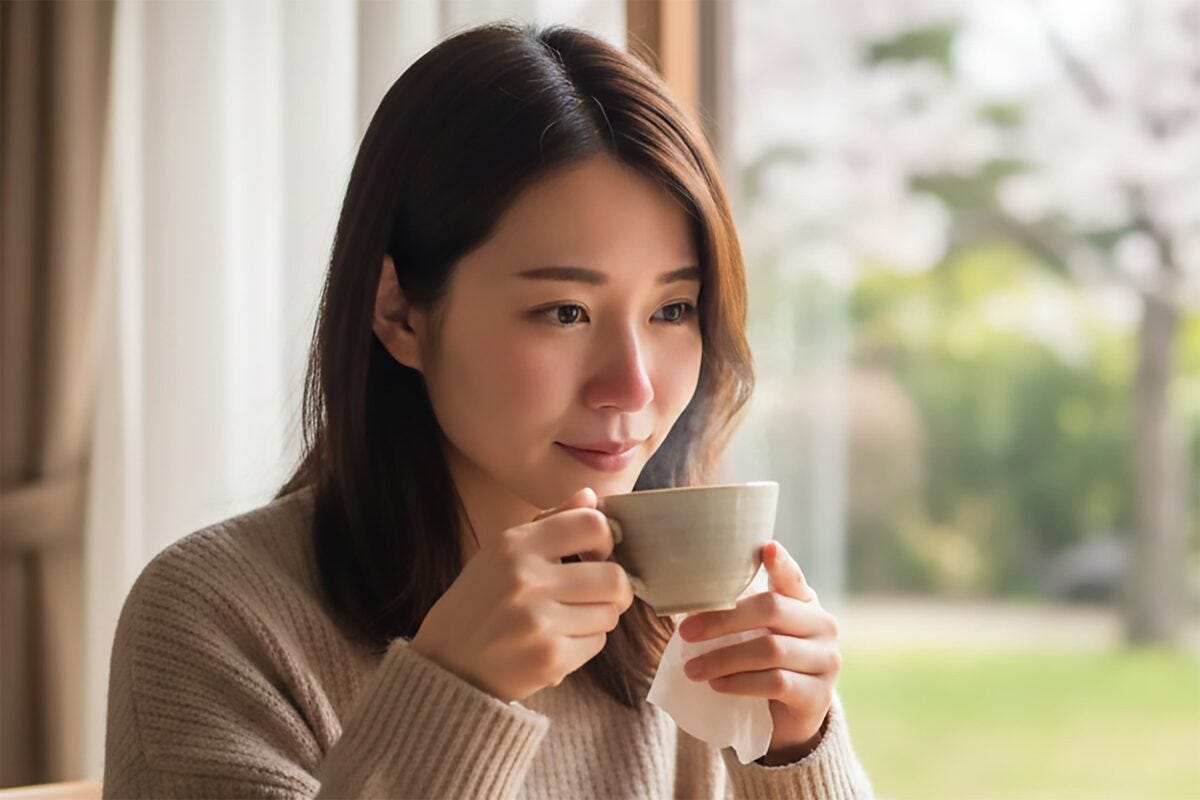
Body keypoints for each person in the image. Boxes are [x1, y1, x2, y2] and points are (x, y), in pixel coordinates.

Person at [103, 22, 874, 799]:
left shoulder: (698, 626)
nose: (633, 386)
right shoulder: (218, 619)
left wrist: (795, 753)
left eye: (672, 309)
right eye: (564, 312)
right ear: (401, 313)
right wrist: (450, 693)